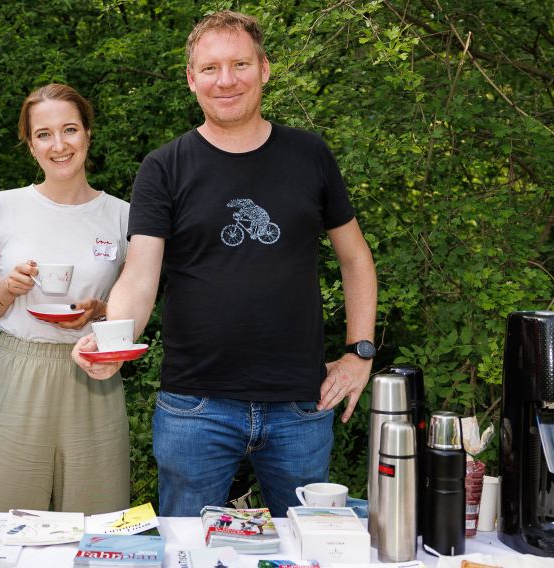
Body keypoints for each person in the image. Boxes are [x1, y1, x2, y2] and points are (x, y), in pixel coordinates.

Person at [72, 11, 378, 517]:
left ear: (264, 69)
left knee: (305, 547)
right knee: (186, 548)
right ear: (192, 79)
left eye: (240, 64)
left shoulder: (310, 154)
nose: (227, 80)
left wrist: (360, 353)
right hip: (195, 407)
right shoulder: (164, 167)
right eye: (210, 68)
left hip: (301, 404)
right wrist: (113, 345)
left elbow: (356, 257)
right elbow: (141, 276)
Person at [0, 84, 130, 514]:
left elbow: (133, 304)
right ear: (30, 143)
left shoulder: (123, 215)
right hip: (18, 372)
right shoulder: (3, 207)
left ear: (88, 134)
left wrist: (101, 311)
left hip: (94, 375)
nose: (59, 145)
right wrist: (6, 289)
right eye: (43, 134)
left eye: (70, 129)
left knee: (97, 520)